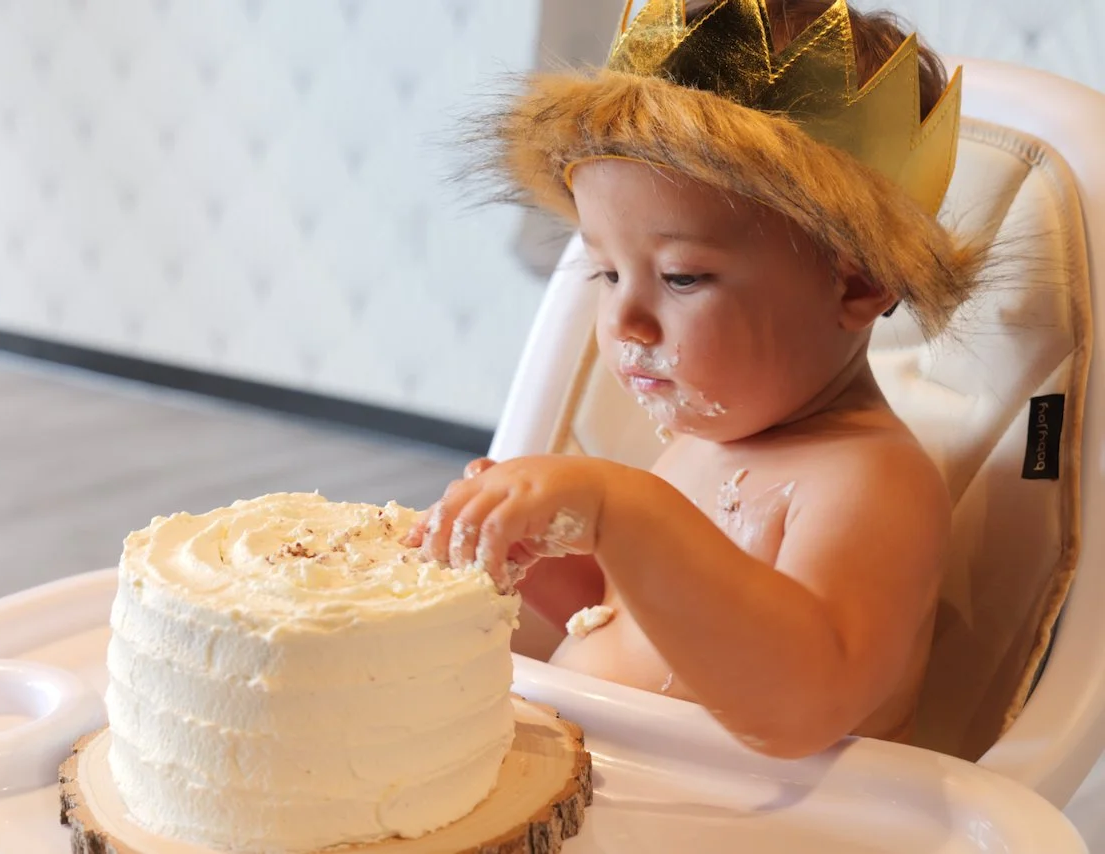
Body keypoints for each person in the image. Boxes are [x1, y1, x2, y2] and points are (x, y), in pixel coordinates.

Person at [406, 0, 992, 758]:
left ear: (858, 282)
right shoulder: (708, 442)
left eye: (681, 278)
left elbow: (801, 706)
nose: (625, 321)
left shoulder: (868, 481)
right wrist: (552, 556)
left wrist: (630, 512)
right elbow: (654, 628)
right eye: (608, 271)